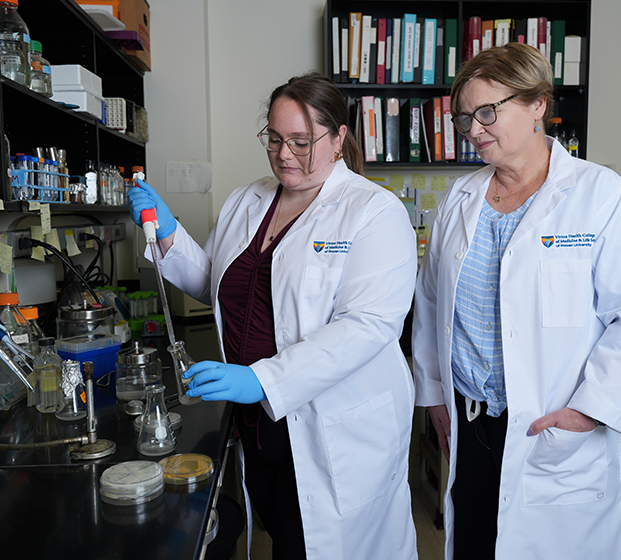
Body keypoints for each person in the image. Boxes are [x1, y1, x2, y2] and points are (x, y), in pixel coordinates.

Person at [128, 72, 418, 560]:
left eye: (302, 142)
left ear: (339, 138)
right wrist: (171, 233)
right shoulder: (248, 200)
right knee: (282, 535)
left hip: (332, 429)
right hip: (257, 426)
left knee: (315, 546)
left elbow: (367, 326)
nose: (285, 154)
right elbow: (216, 285)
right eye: (276, 138)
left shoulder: (374, 212)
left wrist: (261, 380)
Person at [411, 42, 621, 560]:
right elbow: (431, 306)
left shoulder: (601, 195)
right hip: (469, 421)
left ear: (537, 105)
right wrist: (435, 395)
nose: (473, 129)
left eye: (488, 111)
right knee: (476, 544)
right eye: (465, 117)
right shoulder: (459, 201)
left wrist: (590, 411)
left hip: (550, 425)